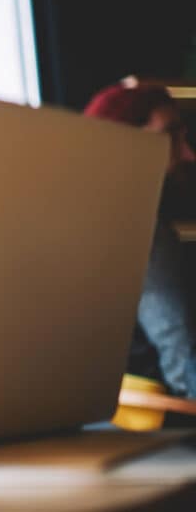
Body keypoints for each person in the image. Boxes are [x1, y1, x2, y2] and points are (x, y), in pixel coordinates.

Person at [83, 81, 196, 398]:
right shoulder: (137, 224)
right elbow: (182, 358)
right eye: (170, 136)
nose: (187, 154)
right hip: (155, 424)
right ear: (123, 143)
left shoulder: (83, 221)